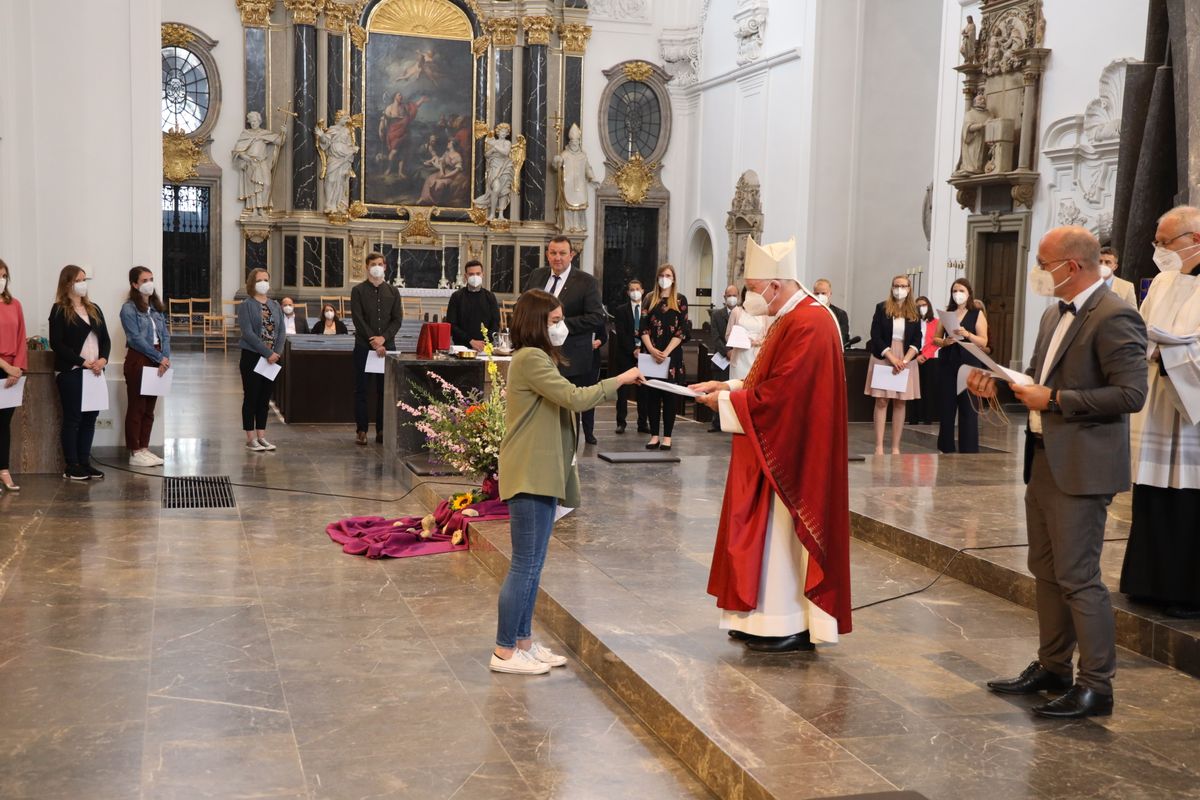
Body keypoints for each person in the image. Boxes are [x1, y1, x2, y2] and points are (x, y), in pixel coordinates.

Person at [968, 225, 1146, 719]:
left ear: (1072, 266)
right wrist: (1000, 388)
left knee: (1079, 577)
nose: (1039, 275)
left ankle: (1097, 685)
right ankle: (1052, 667)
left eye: (1044, 265)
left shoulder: (1115, 315)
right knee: (1044, 570)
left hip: (1084, 465)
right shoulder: (1053, 314)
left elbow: (1131, 395)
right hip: (1045, 456)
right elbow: (1038, 382)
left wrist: (1058, 400)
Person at [690, 236, 852, 653]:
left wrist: (726, 402)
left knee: (783, 540)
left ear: (776, 287)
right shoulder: (788, 318)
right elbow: (766, 381)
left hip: (797, 451)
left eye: (754, 289)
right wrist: (725, 385)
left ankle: (789, 623)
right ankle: (762, 620)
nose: (750, 299)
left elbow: (784, 398)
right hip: (776, 442)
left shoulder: (811, 323)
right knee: (764, 536)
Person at [490, 289, 643, 674]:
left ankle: (523, 641)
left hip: (542, 470)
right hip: (529, 471)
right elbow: (574, 398)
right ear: (537, 323)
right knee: (525, 564)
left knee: (535, 563)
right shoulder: (529, 358)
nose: (561, 327)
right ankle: (504, 651)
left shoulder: (538, 357)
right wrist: (619, 380)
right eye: (555, 321)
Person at [1121, 206, 1200, 618]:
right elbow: (1141, 327)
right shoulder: (1164, 281)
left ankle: (1187, 593)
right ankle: (1148, 583)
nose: (1159, 250)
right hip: (1160, 402)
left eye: (1165, 242)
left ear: (1195, 239)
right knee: (1153, 494)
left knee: (1189, 501)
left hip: (1193, 417)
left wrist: (1169, 352)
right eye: (1157, 242)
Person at [524, 236, 606, 434]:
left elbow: (596, 317)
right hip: (540, 355)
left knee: (568, 415)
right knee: (543, 411)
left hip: (572, 358)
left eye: (562, 253)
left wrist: (560, 324)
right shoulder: (537, 275)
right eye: (553, 253)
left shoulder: (587, 282)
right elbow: (525, 304)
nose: (557, 258)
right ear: (547, 255)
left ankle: (570, 458)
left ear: (572, 255)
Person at [48, 265, 111, 481]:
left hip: (95, 372)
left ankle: (85, 462)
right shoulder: (59, 310)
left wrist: (103, 359)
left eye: (85, 279)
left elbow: (105, 339)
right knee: (73, 419)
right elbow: (57, 343)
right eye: (78, 280)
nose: (83, 284)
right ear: (67, 283)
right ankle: (71, 465)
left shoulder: (94, 308)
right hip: (72, 372)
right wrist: (82, 362)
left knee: (90, 419)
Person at [351, 252, 403, 446]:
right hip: (364, 347)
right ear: (367, 267)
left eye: (380, 264)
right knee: (361, 390)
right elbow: (358, 318)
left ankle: (382, 429)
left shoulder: (393, 291)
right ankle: (362, 430)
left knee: (384, 391)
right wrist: (374, 340)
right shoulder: (358, 291)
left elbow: (397, 319)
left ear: (385, 267)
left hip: (386, 349)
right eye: (373, 264)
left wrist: (384, 339)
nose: (377, 267)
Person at [865, 275, 922, 455]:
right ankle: (879, 446)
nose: (899, 289)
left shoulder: (914, 311)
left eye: (903, 286)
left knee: (900, 402)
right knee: (882, 401)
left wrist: (904, 360)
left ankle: (896, 447)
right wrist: (891, 357)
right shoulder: (882, 308)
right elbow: (875, 335)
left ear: (909, 288)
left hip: (905, 358)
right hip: (885, 356)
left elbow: (917, 339)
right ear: (892, 288)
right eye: (896, 286)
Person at [119, 266, 170, 467]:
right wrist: (158, 356)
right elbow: (135, 338)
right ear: (134, 284)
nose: (149, 283)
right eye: (144, 280)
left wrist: (165, 357)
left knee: (150, 408)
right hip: (139, 358)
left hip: (158, 359)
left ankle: (145, 448)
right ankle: (135, 450)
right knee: (137, 407)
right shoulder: (129, 308)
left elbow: (165, 334)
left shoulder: (156, 307)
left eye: (151, 279)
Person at [933, 279, 988, 453]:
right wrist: (944, 342)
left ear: (969, 293)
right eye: (954, 290)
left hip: (969, 363)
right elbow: (935, 338)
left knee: (968, 408)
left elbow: (983, 340)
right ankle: (946, 446)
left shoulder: (976, 314)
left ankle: (969, 448)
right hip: (948, 362)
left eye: (961, 290)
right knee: (947, 407)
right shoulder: (947, 313)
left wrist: (968, 334)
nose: (957, 294)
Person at [639, 264, 689, 451]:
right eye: (661, 275)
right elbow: (643, 327)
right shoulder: (649, 299)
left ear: (673, 278)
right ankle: (654, 436)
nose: (664, 278)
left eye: (668, 275)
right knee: (652, 397)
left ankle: (667, 436)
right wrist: (651, 349)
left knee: (669, 397)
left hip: (672, 355)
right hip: (652, 354)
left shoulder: (680, 300)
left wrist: (666, 352)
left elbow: (683, 330)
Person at [236, 268, 286, 452]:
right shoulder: (246, 305)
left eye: (266, 279)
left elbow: (281, 331)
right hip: (253, 356)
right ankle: (250, 438)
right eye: (260, 280)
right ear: (252, 283)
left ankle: (262, 436)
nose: (264, 283)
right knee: (252, 397)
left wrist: (276, 353)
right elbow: (248, 333)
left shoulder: (274, 305)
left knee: (265, 399)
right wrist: (267, 352)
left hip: (273, 358)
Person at [0, 258, 27, 491]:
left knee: (4, 423)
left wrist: (17, 368)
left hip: (12, 371)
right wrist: (5, 367)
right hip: (2, 367)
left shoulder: (14, 304)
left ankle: (4, 469)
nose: (1, 280)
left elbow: (21, 337)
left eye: (4, 276)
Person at [611, 278, 648, 435]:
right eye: (632, 289)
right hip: (626, 355)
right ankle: (621, 422)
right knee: (623, 391)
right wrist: (633, 349)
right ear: (628, 292)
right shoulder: (621, 310)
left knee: (644, 390)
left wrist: (642, 348)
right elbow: (621, 333)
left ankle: (642, 423)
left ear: (643, 291)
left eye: (637, 289)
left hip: (645, 355)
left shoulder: (648, 309)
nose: (635, 292)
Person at [446, 260, 500, 350]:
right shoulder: (457, 297)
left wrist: (485, 342)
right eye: (471, 274)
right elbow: (452, 324)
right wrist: (470, 341)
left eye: (478, 273)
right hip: (462, 347)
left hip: (485, 347)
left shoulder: (490, 297)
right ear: (465, 276)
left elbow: (495, 323)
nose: (475, 277)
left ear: (483, 274)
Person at [706, 285, 738, 432]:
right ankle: (716, 421)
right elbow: (715, 337)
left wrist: (735, 352)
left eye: (734, 295)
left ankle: (733, 421)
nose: (732, 297)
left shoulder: (742, 314)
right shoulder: (717, 315)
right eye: (729, 295)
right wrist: (727, 352)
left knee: (735, 390)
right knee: (719, 388)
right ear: (724, 297)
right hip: (722, 357)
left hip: (738, 358)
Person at [727, 286, 772, 381]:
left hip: (757, 355)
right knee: (737, 386)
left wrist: (756, 342)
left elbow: (770, 337)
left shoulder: (765, 313)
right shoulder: (736, 311)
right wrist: (741, 340)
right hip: (739, 357)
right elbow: (728, 335)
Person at [907, 296, 939, 425]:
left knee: (928, 388)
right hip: (914, 355)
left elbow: (936, 342)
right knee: (914, 387)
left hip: (930, 358)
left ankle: (927, 417)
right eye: (918, 306)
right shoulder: (911, 321)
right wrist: (915, 356)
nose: (921, 308)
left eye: (924, 305)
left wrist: (925, 355)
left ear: (929, 306)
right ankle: (913, 417)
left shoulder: (936, 322)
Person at [580, 316, 609, 445]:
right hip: (575, 362)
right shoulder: (574, 317)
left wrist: (598, 342)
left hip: (592, 362)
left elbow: (604, 336)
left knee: (590, 397)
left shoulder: (597, 318)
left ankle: (589, 433)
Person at [812, 278, 850, 346]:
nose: (820, 296)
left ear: (830, 293)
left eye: (823, 293)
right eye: (817, 293)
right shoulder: (808, 313)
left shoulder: (841, 314)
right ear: (813, 294)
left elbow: (842, 337)